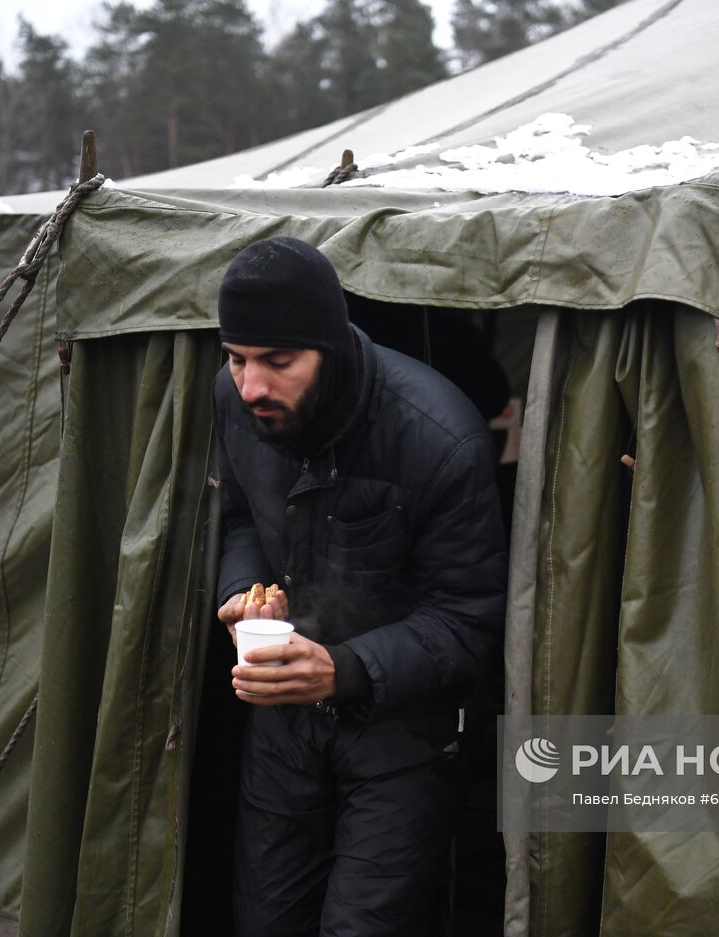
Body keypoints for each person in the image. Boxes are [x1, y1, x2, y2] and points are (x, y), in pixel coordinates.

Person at [212, 236, 507, 937]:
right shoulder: (234, 398)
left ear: (331, 348)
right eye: (237, 358)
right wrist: (242, 588)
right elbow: (238, 517)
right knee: (266, 921)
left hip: (401, 740)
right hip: (282, 735)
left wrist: (342, 669)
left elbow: (468, 622)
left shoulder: (441, 436)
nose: (252, 385)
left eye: (278, 362)